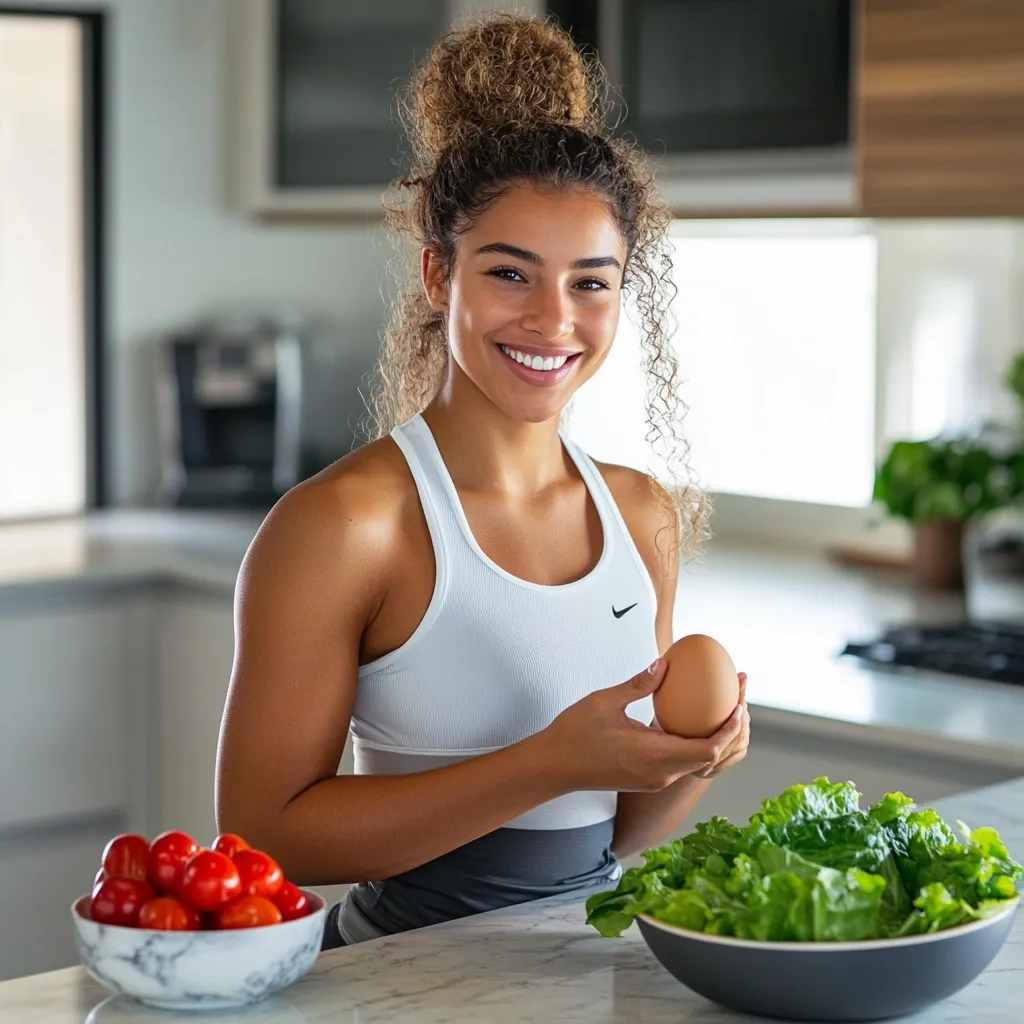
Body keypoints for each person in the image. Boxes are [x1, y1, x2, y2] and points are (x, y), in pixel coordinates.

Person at [215, 13, 749, 950]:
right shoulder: (346, 525)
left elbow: (617, 834)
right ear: (437, 275)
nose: (554, 320)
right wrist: (548, 762)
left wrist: (696, 760)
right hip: (395, 979)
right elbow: (263, 834)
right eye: (511, 273)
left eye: (592, 282)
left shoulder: (640, 515)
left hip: (580, 969)